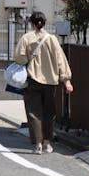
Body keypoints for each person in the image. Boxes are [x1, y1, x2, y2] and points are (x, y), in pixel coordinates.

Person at [14, 11, 73, 155]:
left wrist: (30, 59)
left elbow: (19, 58)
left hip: (33, 80)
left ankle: (38, 145)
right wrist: (66, 81)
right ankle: (47, 143)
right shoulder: (52, 39)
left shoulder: (26, 38)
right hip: (50, 82)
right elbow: (61, 61)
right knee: (49, 112)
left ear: (32, 24)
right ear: (44, 23)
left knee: (34, 112)